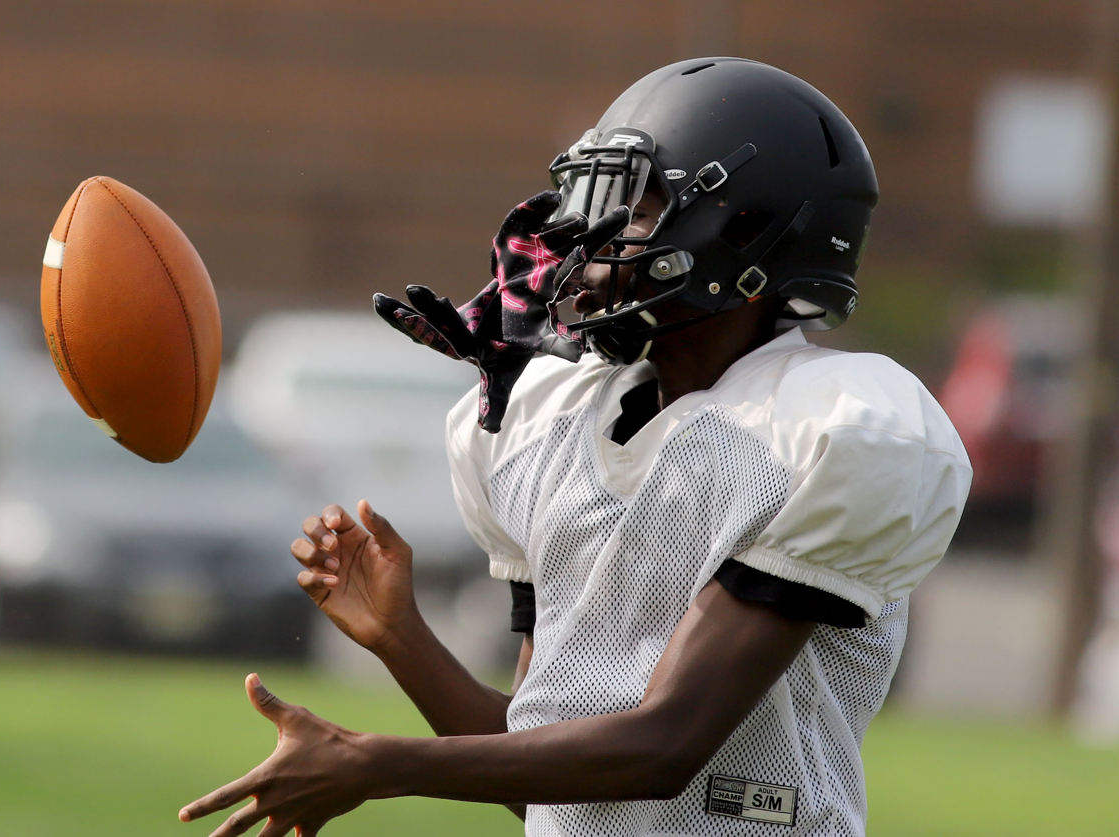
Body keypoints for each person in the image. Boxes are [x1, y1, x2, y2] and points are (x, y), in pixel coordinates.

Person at [180, 57, 971, 837]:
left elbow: (662, 748)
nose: (576, 243)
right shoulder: (550, 424)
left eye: (628, 210)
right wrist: (402, 636)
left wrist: (378, 761)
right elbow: (549, 780)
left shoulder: (829, 427)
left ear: (743, 231)